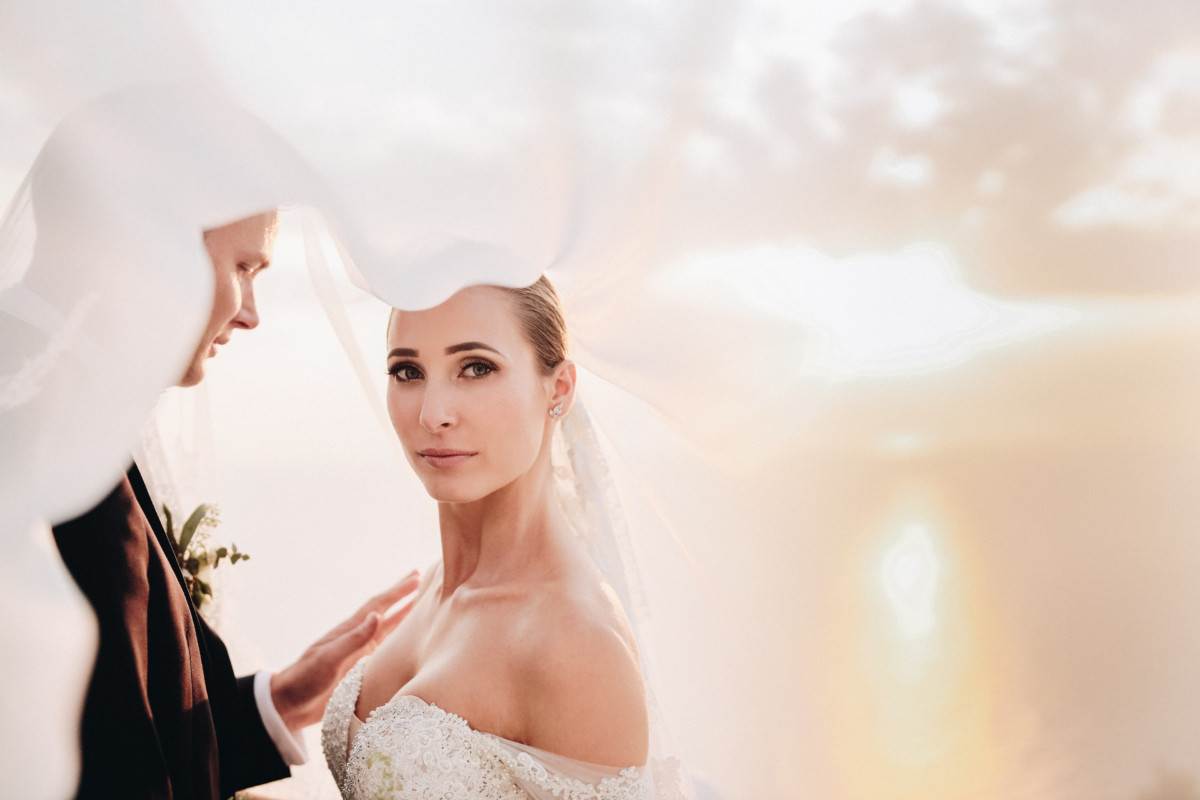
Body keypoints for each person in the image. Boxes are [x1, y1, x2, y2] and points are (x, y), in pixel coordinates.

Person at [321, 278, 685, 799]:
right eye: (408, 371)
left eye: (476, 368)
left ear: (559, 389)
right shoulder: (434, 587)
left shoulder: (574, 641)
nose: (433, 414)